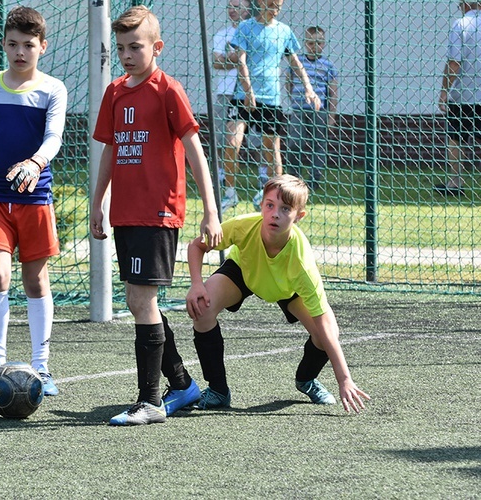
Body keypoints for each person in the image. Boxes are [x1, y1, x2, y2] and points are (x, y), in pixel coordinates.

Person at [90, 5, 222, 426]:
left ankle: (149, 401)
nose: (127, 55)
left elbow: (195, 152)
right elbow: (111, 149)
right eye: (122, 47)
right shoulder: (114, 92)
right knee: (137, 300)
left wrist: (210, 210)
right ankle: (181, 384)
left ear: (157, 47)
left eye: (136, 46)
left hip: (159, 212)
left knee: (141, 300)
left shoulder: (168, 90)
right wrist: (98, 202)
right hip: (125, 214)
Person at [185, 175, 370, 413]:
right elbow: (196, 245)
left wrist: (344, 379)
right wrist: (196, 284)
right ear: (261, 205)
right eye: (270, 205)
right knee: (202, 308)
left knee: (327, 333)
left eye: (285, 209)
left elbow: (323, 322)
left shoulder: (302, 264)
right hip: (245, 272)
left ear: (298, 216)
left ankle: (306, 380)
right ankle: (218, 390)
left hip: (287, 288)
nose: (275, 214)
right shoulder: (243, 225)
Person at [0, 6, 67, 398]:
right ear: (4, 44)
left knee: (35, 280)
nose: (20, 52)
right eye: (12, 44)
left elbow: (53, 138)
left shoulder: (53, 89)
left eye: (28, 45)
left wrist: (35, 163)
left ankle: (42, 368)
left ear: (42, 47)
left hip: (35, 198)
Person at [226, 0, 321, 210]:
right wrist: (248, 91)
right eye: (271, 3)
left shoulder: (284, 31)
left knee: (272, 149)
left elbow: (295, 62)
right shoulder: (246, 27)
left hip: (271, 100)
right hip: (244, 96)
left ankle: (275, 198)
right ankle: (230, 194)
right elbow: (240, 61)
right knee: (232, 143)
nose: (276, 7)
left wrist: (309, 88)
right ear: (260, 3)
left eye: (279, 4)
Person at [435, 1, 481, 197]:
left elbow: (454, 62)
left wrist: (444, 91)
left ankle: (455, 183)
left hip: (463, 95)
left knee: (456, 139)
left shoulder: (461, 24)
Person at [212, 0, 254, 210]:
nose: (232, 9)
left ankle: (265, 181)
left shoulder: (255, 31)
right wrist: (238, 58)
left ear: (248, 8)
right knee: (226, 140)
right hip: (226, 93)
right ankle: (228, 186)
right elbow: (217, 62)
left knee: (263, 141)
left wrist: (234, 58)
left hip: (253, 94)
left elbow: (254, 60)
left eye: (238, 6)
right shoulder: (222, 35)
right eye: (230, 5)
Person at [285, 26, 338, 192]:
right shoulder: (298, 63)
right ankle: (293, 178)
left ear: (324, 44)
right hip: (299, 109)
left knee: (319, 145)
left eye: (319, 42)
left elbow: (333, 91)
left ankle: (314, 181)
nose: (315, 46)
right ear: (305, 43)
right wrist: (294, 100)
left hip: (319, 111)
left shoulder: (327, 65)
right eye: (311, 42)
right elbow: (289, 81)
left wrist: (331, 115)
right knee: (294, 143)